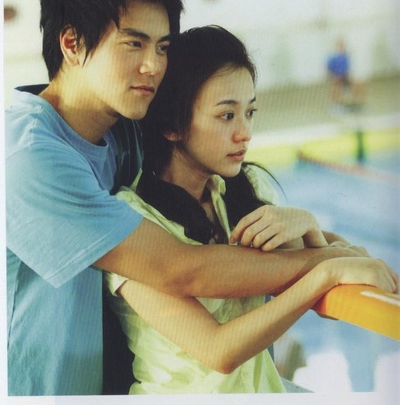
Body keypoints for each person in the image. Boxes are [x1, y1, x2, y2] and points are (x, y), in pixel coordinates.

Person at [5, 0, 390, 396]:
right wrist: (326, 264)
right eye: (134, 44)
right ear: (72, 44)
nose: (154, 66)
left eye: (162, 47)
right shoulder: (29, 158)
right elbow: (180, 269)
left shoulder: (124, 131)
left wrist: (308, 227)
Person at [105, 26, 398, 394]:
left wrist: (308, 225)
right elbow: (218, 350)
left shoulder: (242, 192)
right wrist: (324, 273)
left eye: (250, 112)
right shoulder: (132, 221)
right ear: (173, 126)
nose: (244, 132)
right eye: (227, 116)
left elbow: (354, 266)